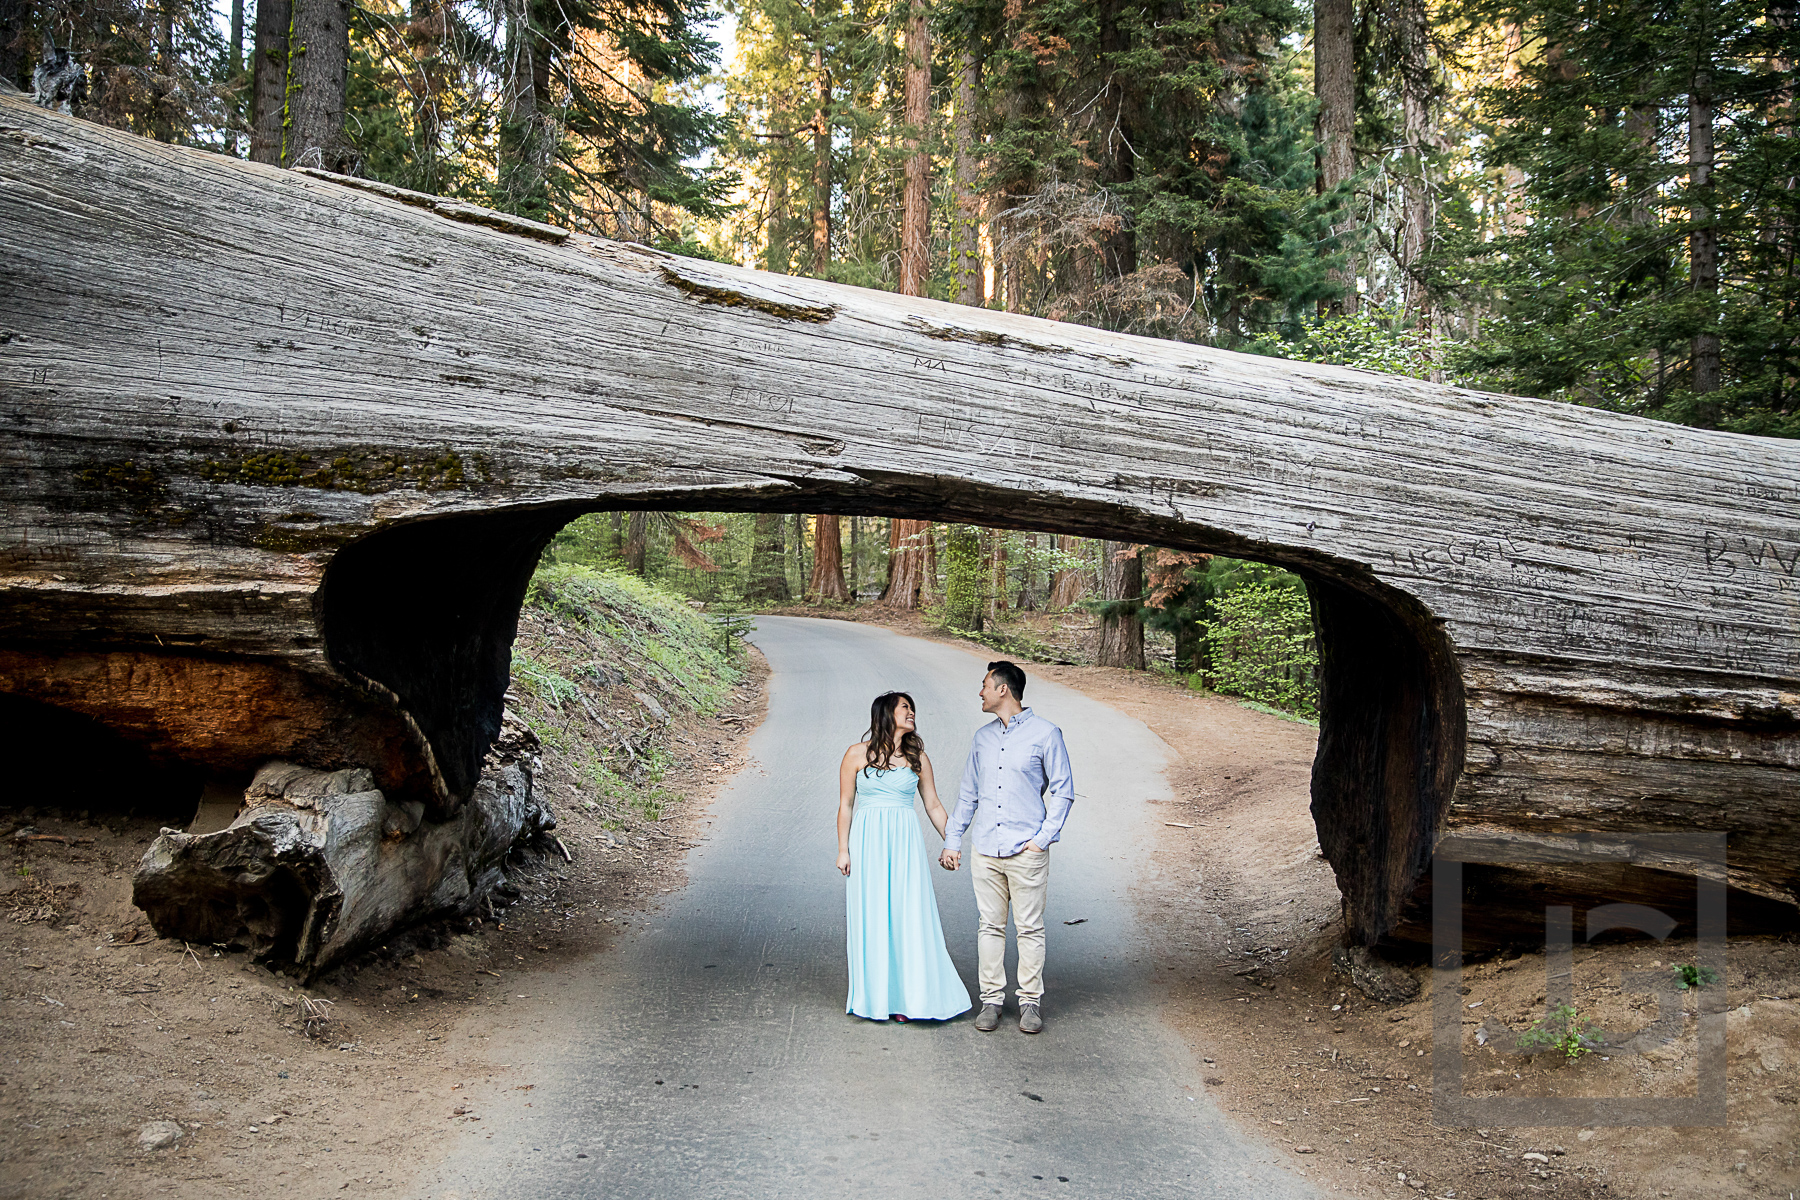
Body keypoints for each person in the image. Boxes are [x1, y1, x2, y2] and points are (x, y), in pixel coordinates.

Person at [939, 661, 1073, 1035]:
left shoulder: (1046, 734)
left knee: (1029, 928)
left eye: (984, 685)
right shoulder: (982, 738)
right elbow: (968, 794)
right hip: (986, 849)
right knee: (990, 926)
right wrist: (954, 839)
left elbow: (1063, 790)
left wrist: (1041, 840)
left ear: (1003, 690)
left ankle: (1030, 1001)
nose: (979, 692)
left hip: (1025, 850)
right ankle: (992, 1000)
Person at [837, 691, 972, 1023]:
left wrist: (951, 842)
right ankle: (875, 997)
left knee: (907, 914)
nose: (911, 713)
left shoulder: (918, 758)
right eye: (905, 708)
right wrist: (843, 849)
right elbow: (845, 805)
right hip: (867, 843)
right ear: (886, 714)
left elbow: (934, 805)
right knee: (873, 915)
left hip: (904, 843)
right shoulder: (856, 755)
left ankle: (907, 999)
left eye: (913, 708)